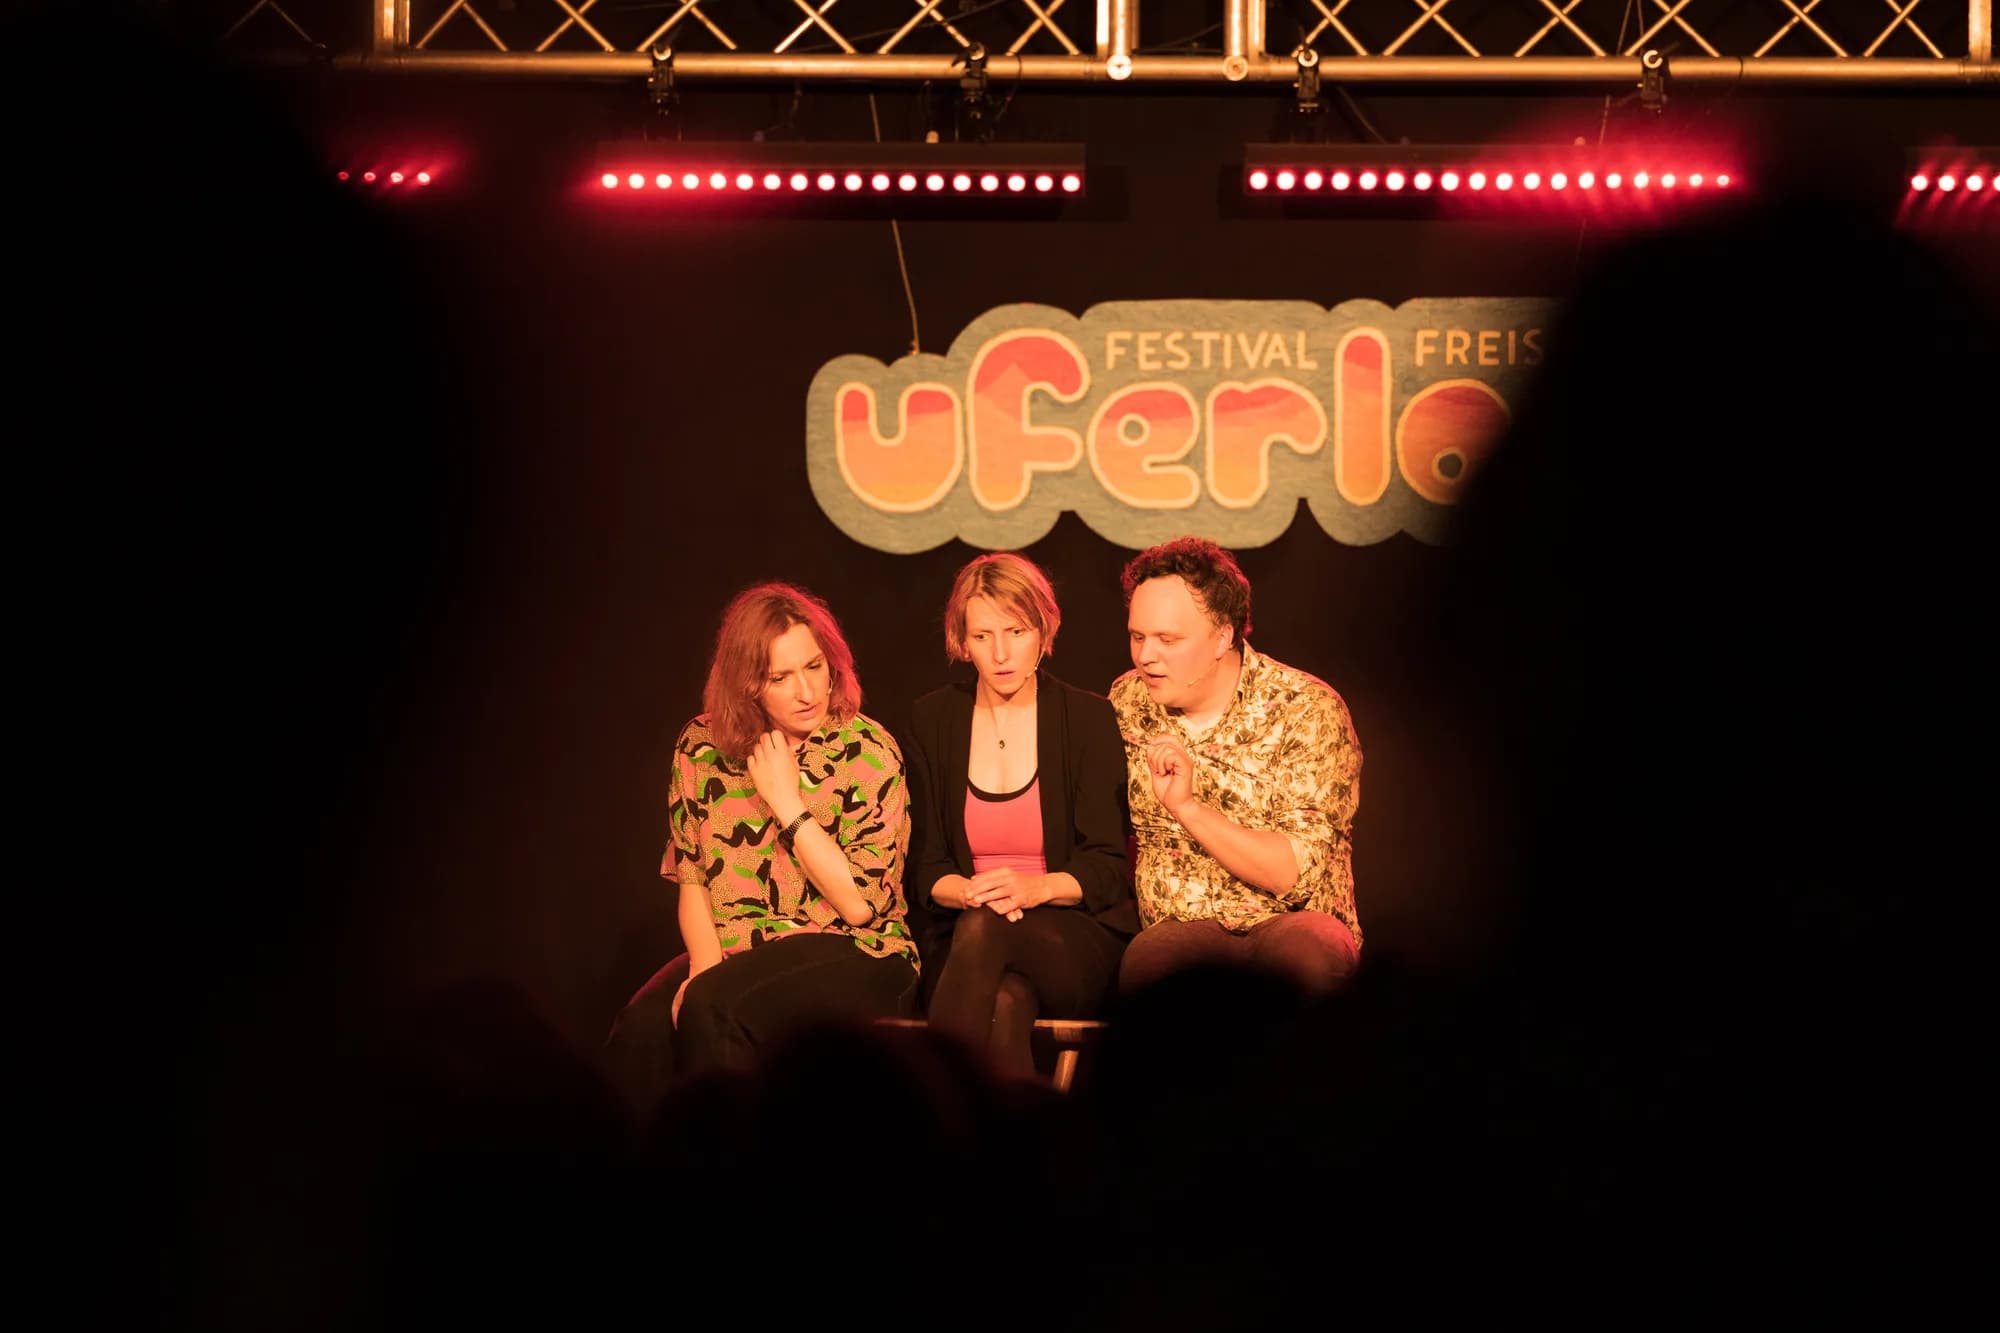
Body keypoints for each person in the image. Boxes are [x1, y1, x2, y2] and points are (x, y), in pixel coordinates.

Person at [603, 581, 919, 1119]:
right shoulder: (702, 748)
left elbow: (860, 904)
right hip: (740, 948)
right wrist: (704, 966)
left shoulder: (867, 751)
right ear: (748, 685)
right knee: (641, 1031)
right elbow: (694, 875)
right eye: (781, 677)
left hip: (857, 947)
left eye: (815, 667)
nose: (807, 691)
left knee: (717, 1009)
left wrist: (785, 801)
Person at [905, 553, 1138, 1078]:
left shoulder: (1087, 718)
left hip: (1072, 936)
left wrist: (1035, 889)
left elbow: (1105, 867)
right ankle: (1020, 1150)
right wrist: (967, 891)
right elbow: (924, 871)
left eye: (1017, 630)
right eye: (983, 636)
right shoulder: (932, 719)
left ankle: (927, 1111)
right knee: (1006, 1002)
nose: (1002, 653)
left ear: (1044, 629)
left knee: (986, 929)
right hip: (965, 934)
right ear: (961, 641)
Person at [1109, 537, 1362, 996]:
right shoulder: (1127, 702)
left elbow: (1291, 872)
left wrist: (1188, 809)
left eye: (1168, 639)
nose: (1146, 655)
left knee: (1309, 957)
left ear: (1223, 635)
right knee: (1150, 968)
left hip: (1291, 922)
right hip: (1179, 927)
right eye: (1138, 636)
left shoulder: (1304, 709)